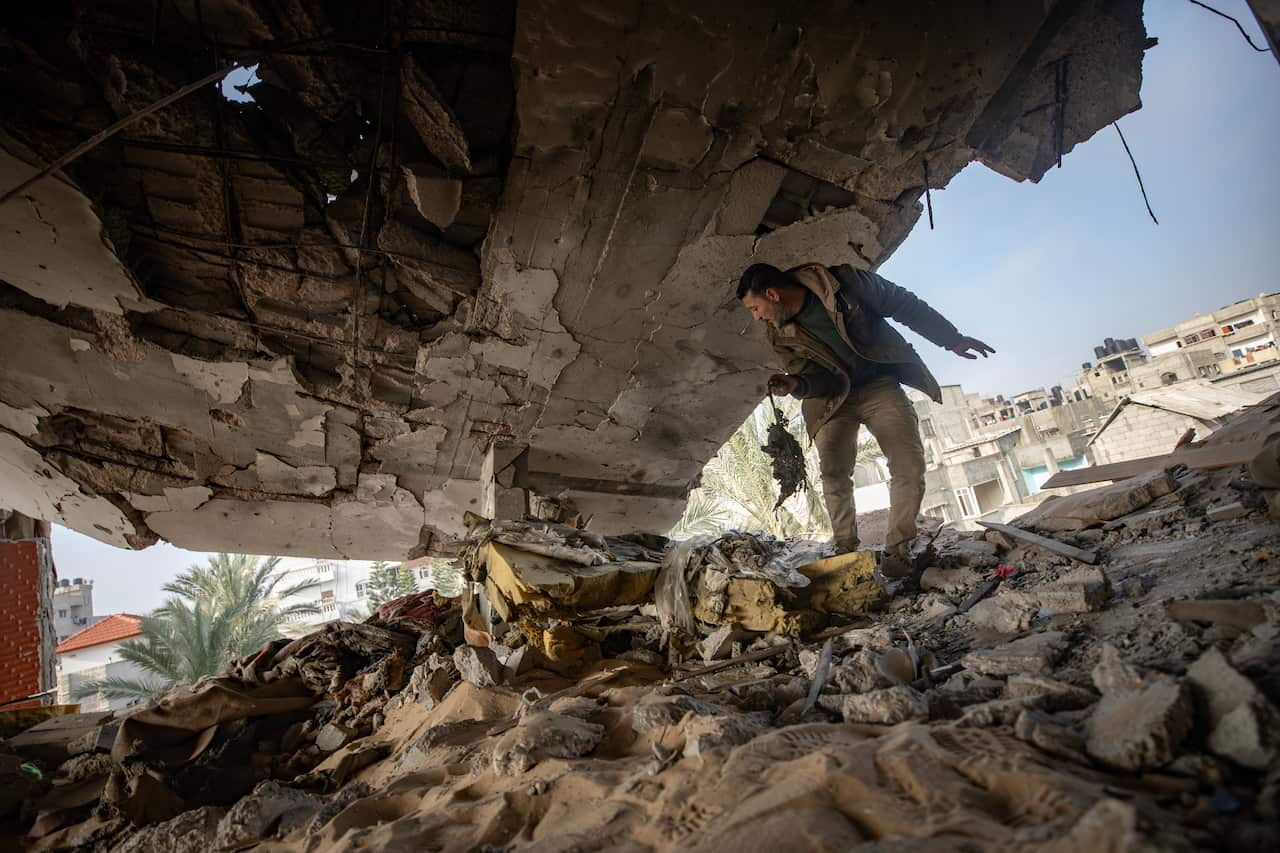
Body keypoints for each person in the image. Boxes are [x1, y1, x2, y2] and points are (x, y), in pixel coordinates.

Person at [737, 262, 994, 575]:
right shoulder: (778, 333)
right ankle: (845, 551)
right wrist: (797, 385)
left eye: (755, 307)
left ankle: (898, 554)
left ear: (772, 294)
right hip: (831, 400)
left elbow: (904, 304)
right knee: (833, 473)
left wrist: (951, 339)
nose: (756, 317)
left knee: (909, 465)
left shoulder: (845, 284)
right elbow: (814, 378)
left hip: (878, 385)